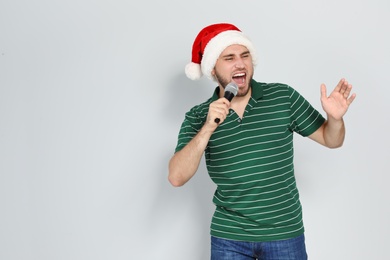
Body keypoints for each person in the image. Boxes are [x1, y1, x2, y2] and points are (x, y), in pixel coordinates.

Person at [168, 23, 356, 260]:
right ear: (213, 71)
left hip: (284, 233)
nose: (240, 63)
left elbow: (332, 140)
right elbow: (176, 177)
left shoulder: (283, 97)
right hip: (229, 236)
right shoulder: (199, 115)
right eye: (229, 58)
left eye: (245, 55)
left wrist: (335, 119)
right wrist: (209, 127)